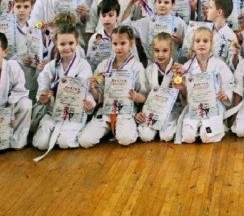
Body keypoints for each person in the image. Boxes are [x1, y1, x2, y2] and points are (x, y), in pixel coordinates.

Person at [79, 26, 146, 148]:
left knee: (125, 139)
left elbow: (144, 96)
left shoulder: (137, 67)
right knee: (85, 141)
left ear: (131, 43)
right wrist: (92, 88)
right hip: (106, 110)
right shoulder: (104, 65)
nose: (118, 47)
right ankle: (109, 128)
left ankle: (122, 127)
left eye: (123, 43)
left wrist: (136, 96)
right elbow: (98, 96)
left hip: (126, 110)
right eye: (115, 44)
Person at [32, 24, 95, 152]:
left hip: (75, 111)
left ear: (77, 42)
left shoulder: (83, 65)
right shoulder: (51, 66)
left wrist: (89, 104)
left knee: (64, 142)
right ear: (56, 44)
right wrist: (43, 97)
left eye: (71, 43)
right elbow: (42, 88)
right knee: (41, 144)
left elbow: (86, 90)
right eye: (62, 44)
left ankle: (73, 131)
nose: (67, 47)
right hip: (53, 111)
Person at [173, 26, 234, 144]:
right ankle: (198, 127)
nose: (201, 44)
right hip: (194, 107)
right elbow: (186, 96)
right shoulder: (186, 67)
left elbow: (228, 83)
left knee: (206, 137)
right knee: (188, 138)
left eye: (205, 41)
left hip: (214, 105)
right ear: (193, 45)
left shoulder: (219, 65)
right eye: (198, 41)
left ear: (211, 44)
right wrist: (182, 88)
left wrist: (225, 95)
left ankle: (208, 127)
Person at [136, 32, 182, 143]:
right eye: (157, 50)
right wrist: (140, 112)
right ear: (152, 51)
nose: (160, 54)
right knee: (145, 136)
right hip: (152, 109)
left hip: (171, 110)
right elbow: (145, 94)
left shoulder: (178, 70)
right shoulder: (149, 70)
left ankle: (163, 129)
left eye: (165, 51)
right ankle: (153, 129)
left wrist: (181, 87)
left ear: (171, 50)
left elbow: (183, 96)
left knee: (167, 136)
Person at [123, 0, 187, 63]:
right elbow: (124, 26)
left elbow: (191, 44)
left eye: (166, 2)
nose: (162, 5)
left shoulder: (179, 22)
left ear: (172, 5)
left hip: (172, 66)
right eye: (159, 2)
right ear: (155, 3)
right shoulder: (147, 22)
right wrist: (131, 3)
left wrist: (182, 41)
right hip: (152, 66)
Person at [0, 31, 32, 149]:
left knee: (26, 104)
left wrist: (10, 113)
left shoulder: (12, 66)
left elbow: (19, 90)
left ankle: (16, 141)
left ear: (5, 52)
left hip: (7, 109)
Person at [11, 0, 43, 100]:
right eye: (18, 6)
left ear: (32, 7)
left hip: (29, 69)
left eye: (26, 6)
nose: (21, 10)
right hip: (10, 67)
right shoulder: (6, 26)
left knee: (28, 99)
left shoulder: (36, 26)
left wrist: (34, 62)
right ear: (13, 6)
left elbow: (39, 52)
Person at [205, 0, 239, 71]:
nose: (207, 10)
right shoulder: (204, 28)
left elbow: (233, 66)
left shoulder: (230, 36)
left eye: (210, 7)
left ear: (219, 12)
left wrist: (235, 55)